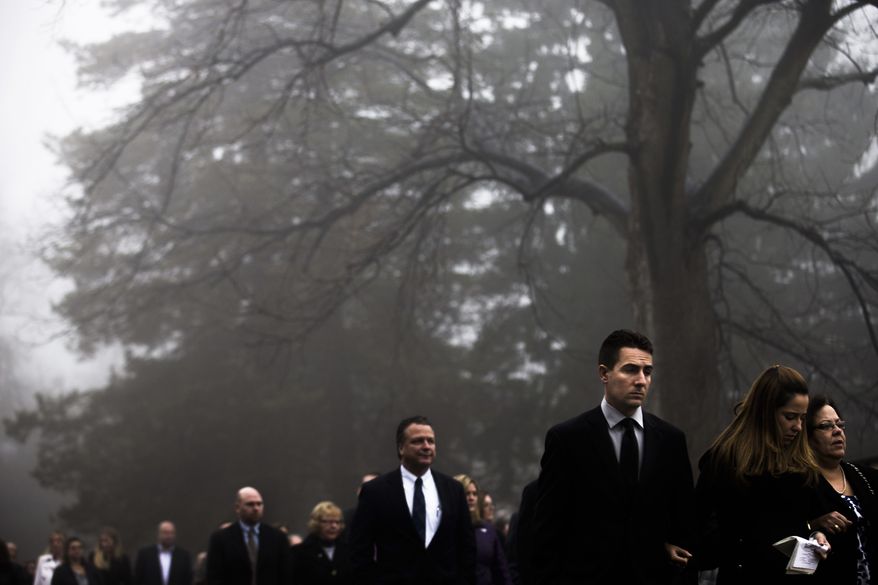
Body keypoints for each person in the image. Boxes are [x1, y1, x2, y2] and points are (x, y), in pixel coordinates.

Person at [532, 329, 695, 585]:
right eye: (630, 369)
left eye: (647, 372)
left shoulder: (671, 440)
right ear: (604, 373)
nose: (641, 380)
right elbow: (548, 528)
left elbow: (684, 520)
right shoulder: (567, 439)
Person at [695, 365, 831, 583]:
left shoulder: (802, 462)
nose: (798, 427)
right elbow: (700, 524)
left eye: (802, 418)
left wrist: (818, 536)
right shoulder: (725, 459)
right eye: (790, 417)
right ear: (765, 412)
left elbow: (815, 517)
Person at [349, 415, 476, 584]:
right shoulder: (375, 491)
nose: (426, 446)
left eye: (430, 441)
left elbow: (466, 547)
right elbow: (359, 551)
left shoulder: (453, 489)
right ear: (401, 448)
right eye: (418, 441)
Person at [806, 395, 877, 584]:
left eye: (839, 424)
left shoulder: (866, 477)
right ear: (809, 438)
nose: (837, 431)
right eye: (826, 426)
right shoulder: (802, 484)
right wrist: (813, 526)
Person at [206, 487, 292, 585]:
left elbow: (285, 575)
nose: (256, 508)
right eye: (250, 504)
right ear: (237, 508)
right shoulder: (221, 538)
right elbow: (214, 577)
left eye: (259, 504)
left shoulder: (277, 537)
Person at [454, 475, 511, 585]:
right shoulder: (446, 527)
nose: (471, 498)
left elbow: (501, 570)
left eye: (474, 494)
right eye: (467, 493)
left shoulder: (488, 530)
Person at [291, 501, 352, 585]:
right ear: (316, 523)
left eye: (337, 522)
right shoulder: (299, 553)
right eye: (329, 522)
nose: (334, 526)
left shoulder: (349, 550)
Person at [134, 521, 193, 585]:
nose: (169, 536)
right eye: (165, 533)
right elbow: (137, 579)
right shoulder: (145, 554)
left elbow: (187, 580)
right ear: (158, 534)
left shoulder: (184, 556)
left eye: (171, 533)